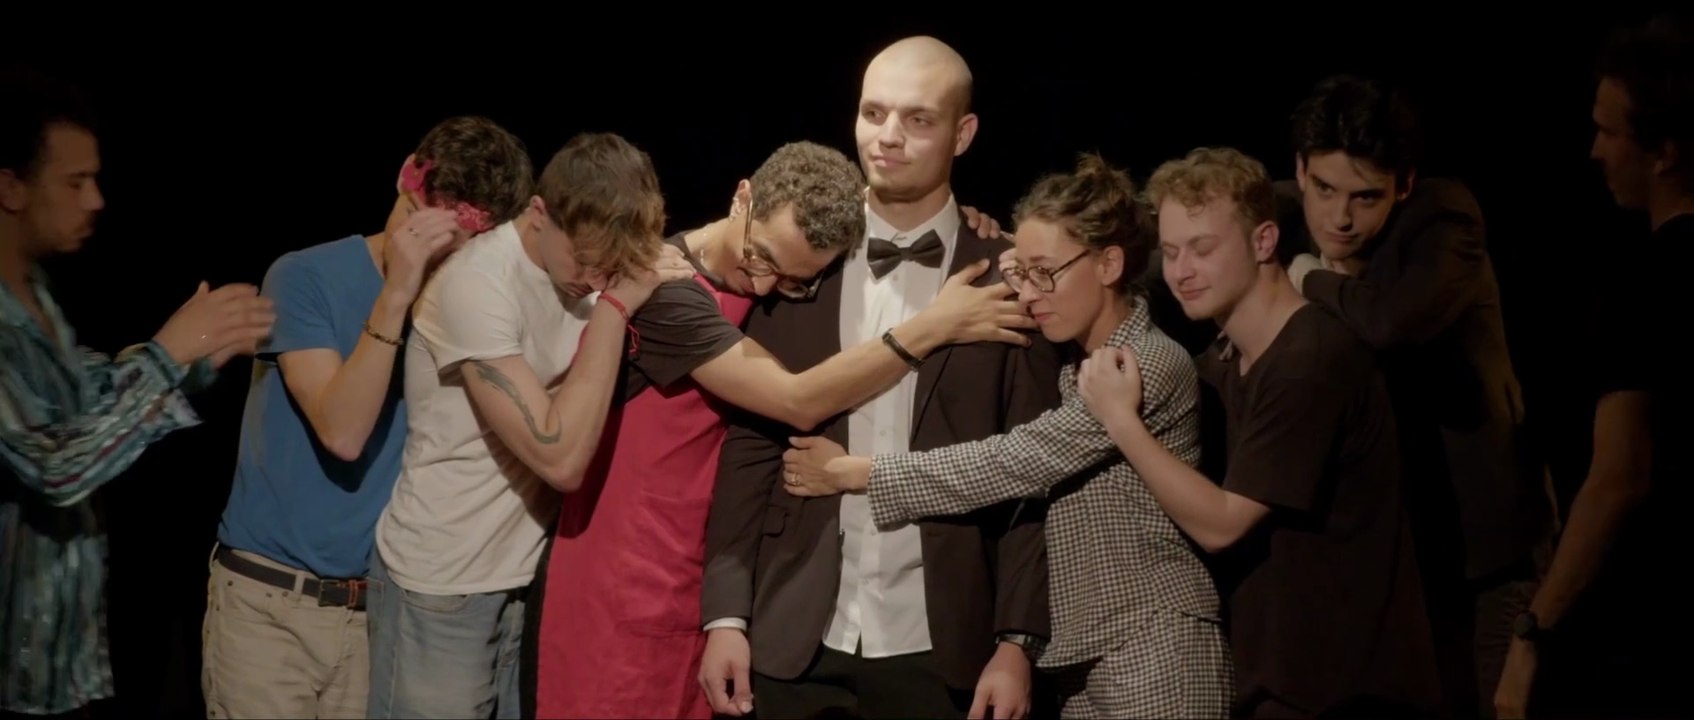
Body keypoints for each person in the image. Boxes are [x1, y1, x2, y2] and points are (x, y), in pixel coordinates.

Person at [529, 140, 1037, 720]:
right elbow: (796, 401)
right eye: (760, 258)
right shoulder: (666, 290)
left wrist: (964, 219)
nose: (766, 286)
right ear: (742, 196)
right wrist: (934, 325)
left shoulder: (773, 283)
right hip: (623, 574)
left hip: (698, 574)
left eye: (794, 280)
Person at [778, 148, 1236, 719]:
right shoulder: (1074, 367)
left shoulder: (1145, 363)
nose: (1027, 293)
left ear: (1109, 264)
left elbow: (1015, 460)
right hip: (1081, 659)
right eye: (1022, 272)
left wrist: (858, 473)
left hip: (1155, 643)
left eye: (1045, 273)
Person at [700, 37, 1064, 720]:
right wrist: (726, 615)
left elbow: (1031, 473)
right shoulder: (801, 256)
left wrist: (1017, 641)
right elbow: (749, 443)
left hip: (946, 637)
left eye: (918, 120)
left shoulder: (1009, 274)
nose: (888, 138)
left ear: (964, 134)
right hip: (794, 630)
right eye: (874, 113)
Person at [1076, 146, 1439, 717]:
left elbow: (1223, 523)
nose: (1181, 272)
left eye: (1202, 249)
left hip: (1348, 688)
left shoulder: (1311, 357)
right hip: (1276, 676)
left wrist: (1120, 420)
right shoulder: (1220, 364)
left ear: (1264, 241)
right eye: (1170, 253)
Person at [201, 116, 532, 719]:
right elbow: (342, 431)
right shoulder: (304, 276)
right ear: (406, 177)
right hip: (271, 608)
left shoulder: (471, 304)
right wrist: (396, 295)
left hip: (378, 611)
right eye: (417, 222)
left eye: (449, 244)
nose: (424, 250)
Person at [364, 131, 696, 719]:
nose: (594, 278)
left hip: (530, 576)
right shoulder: (476, 283)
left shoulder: (590, 269)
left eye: (609, 267)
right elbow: (561, 457)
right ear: (540, 214)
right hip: (444, 584)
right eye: (586, 260)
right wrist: (617, 308)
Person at [1270, 75, 1555, 719]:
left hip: (1486, 546)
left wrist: (1310, 276)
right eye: (1324, 189)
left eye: (1366, 197)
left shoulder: (1443, 218)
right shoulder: (1281, 210)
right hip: (1392, 551)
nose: (1340, 217)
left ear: (1402, 184)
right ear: (1299, 170)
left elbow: (1393, 323)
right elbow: (1166, 229)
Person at [0, 68, 273, 718]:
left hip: (57, 662)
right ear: (11, 186)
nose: (95, 200)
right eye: (74, 182)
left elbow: (90, 393)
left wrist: (193, 361)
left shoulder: (34, 296)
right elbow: (57, 465)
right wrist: (169, 352)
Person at [1493, 14, 1694, 718]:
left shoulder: (1649, 283)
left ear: (1664, 149)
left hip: (1651, 636)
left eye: (1609, 131)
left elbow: (1618, 478)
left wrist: (1532, 636)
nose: (1594, 150)